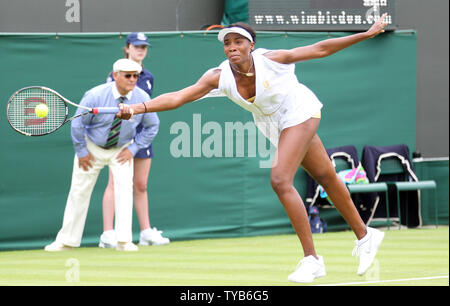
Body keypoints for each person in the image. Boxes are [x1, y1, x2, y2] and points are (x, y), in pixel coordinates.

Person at [117, 15, 389, 282]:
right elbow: (177, 97)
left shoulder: (272, 59)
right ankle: (366, 236)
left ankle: (312, 260)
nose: (232, 47)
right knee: (327, 175)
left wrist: (365, 34)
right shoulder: (218, 76)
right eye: (227, 44)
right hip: (274, 124)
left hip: (299, 111)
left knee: (280, 179)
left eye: (238, 42)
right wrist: (137, 108)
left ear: (252, 45)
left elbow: (320, 49)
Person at [44, 58, 160, 252]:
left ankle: (124, 241)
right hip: (92, 148)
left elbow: (152, 125)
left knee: (124, 191)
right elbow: (77, 123)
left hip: (122, 149)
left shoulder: (142, 97)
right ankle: (66, 241)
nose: (132, 80)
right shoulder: (95, 95)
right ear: (115, 76)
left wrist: (133, 149)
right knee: (79, 192)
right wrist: (82, 151)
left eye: (136, 76)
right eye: (128, 76)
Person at [99, 32, 170, 248]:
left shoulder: (147, 76)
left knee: (140, 184)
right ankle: (108, 234)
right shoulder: (117, 74)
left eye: (144, 47)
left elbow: (147, 110)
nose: (140, 50)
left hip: (142, 135)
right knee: (115, 183)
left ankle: (146, 231)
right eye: (136, 46)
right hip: (120, 135)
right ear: (127, 48)